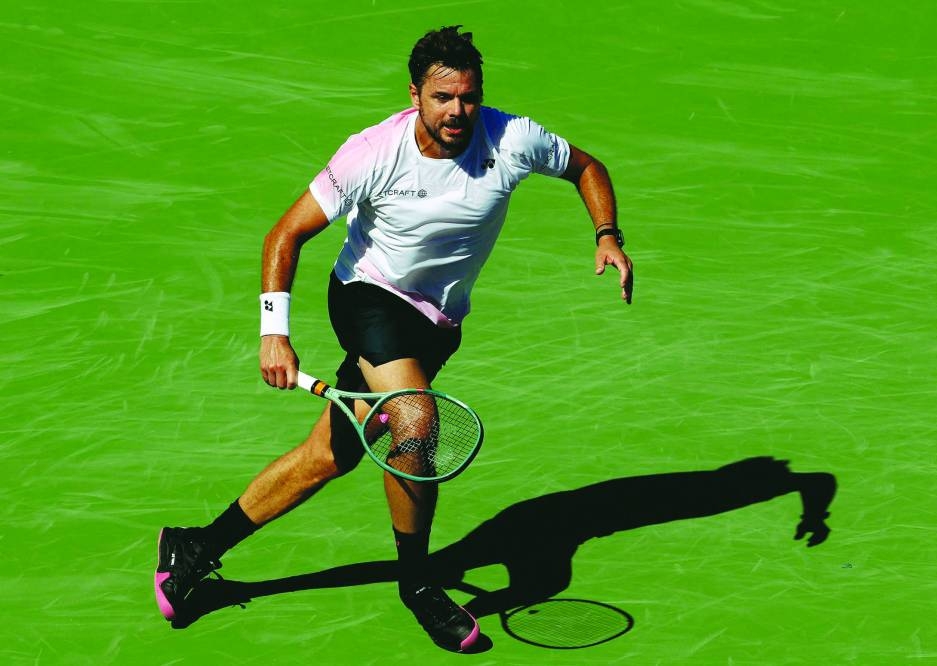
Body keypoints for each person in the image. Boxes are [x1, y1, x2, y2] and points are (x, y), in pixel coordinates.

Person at [154, 25, 634, 652]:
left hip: (437, 323)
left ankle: (196, 545)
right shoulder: (371, 153)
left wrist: (607, 233)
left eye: (467, 96)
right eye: (442, 98)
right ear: (416, 96)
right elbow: (284, 235)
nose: (457, 110)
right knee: (416, 421)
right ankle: (418, 584)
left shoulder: (513, 138)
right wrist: (275, 332)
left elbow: (587, 167)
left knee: (331, 454)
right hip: (367, 296)